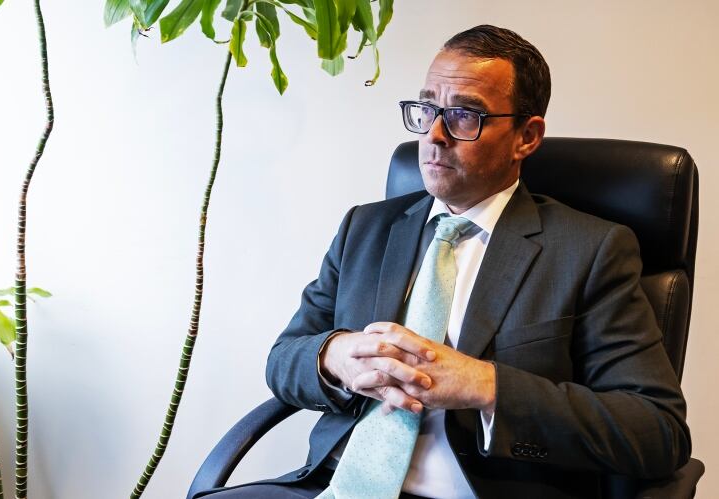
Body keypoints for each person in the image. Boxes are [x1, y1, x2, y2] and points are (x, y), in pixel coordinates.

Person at [201, 24, 690, 499]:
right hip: (330, 486)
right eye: (427, 109)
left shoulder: (589, 250)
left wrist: (488, 386)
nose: (434, 134)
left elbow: (657, 432)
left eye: (464, 115)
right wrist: (334, 358)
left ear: (527, 136)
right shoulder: (365, 229)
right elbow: (284, 359)